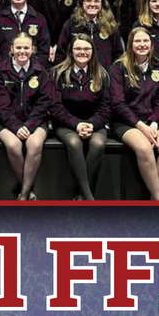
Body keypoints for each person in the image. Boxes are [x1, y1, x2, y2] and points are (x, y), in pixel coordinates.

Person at [110, 27, 159, 200]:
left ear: (151, 44)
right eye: (137, 41)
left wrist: (154, 122)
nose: (141, 45)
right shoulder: (119, 67)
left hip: (153, 120)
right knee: (145, 148)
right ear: (130, 44)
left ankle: (150, 201)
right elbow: (118, 104)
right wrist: (141, 126)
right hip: (126, 122)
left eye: (145, 41)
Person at [49, 34, 111, 200]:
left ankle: (82, 196)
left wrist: (91, 124)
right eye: (78, 48)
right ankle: (89, 198)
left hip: (94, 123)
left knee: (98, 144)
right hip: (66, 123)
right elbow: (55, 107)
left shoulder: (102, 73)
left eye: (86, 49)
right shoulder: (58, 73)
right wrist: (76, 124)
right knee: (74, 142)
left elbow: (105, 108)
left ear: (92, 51)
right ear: (71, 51)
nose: (82, 52)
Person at [0, 33, 51, 201]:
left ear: (32, 49)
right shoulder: (1, 71)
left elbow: (44, 103)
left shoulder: (41, 72)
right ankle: (30, 193)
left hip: (35, 122)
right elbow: (1, 105)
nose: (22, 51)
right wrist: (17, 127)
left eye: (26, 47)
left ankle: (24, 195)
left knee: (35, 143)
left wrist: (29, 126)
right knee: (13, 144)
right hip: (6, 122)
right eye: (18, 47)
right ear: (11, 49)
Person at [58, 0, 123, 67]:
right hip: (76, 77)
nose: (92, 4)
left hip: (104, 76)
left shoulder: (110, 26)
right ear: (82, 3)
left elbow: (118, 55)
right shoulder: (71, 25)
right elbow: (60, 54)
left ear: (102, 4)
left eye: (96, 1)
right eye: (88, 1)